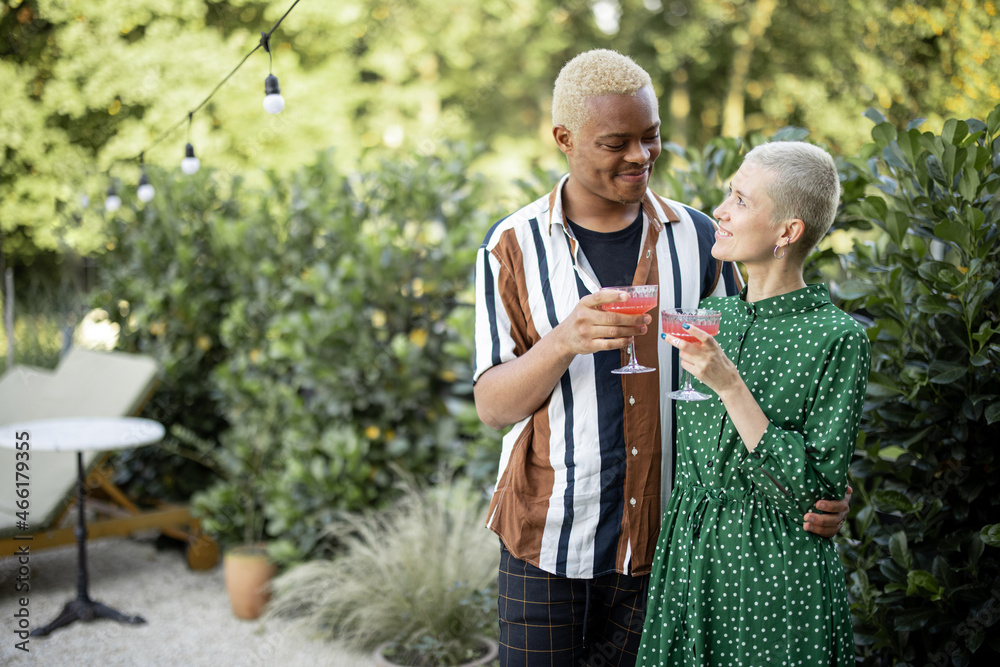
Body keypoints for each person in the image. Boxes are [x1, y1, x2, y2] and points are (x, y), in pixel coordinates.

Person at [473, 49, 849, 667]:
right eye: (616, 142)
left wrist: (819, 486)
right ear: (564, 139)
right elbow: (493, 407)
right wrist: (564, 341)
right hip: (547, 538)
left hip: (670, 548)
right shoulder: (512, 246)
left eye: (650, 138)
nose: (640, 157)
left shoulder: (703, 239)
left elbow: (751, 382)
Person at [636, 141, 870, 666]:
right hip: (691, 557)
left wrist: (730, 386)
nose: (720, 210)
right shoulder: (712, 313)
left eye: (741, 200)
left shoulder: (835, 338)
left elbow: (813, 493)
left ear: (788, 232)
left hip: (774, 570)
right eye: (728, 194)